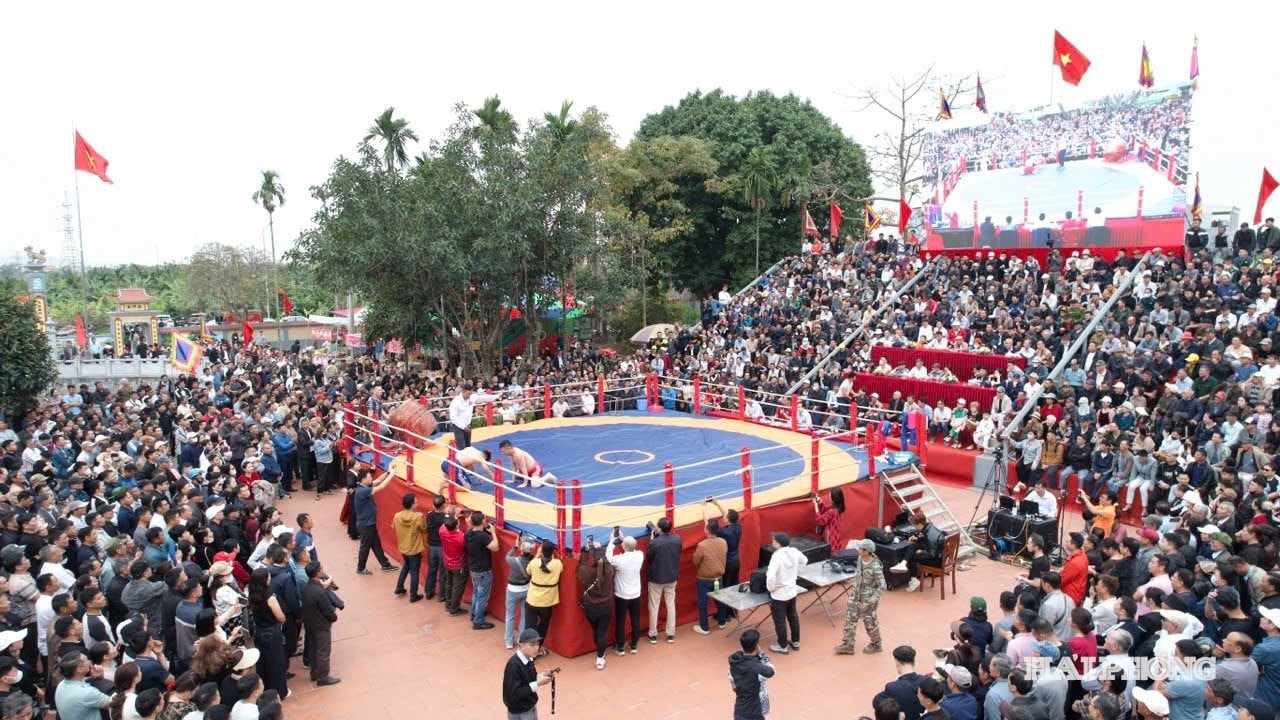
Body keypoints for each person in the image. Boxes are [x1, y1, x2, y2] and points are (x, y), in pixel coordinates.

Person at [836, 539, 885, 654]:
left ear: (866, 551)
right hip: (856, 595)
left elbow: (882, 586)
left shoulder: (876, 567)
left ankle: (876, 644)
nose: (858, 550)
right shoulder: (860, 559)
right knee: (850, 619)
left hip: (868, 600)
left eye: (860, 548)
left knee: (870, 623)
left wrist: (872, 600)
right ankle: (848, 644)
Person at [245, 569, 288, 699]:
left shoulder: (252, 594)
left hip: (259, 631)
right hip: (272, 632)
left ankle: (265, 687)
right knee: (276, 662)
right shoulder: (269, 597)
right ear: (265, 580)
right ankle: (279, 691)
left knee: (262, 662)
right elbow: (280, 617)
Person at [764, 532, 806, 654]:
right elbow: (805, 560)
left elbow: (770, 576)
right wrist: (794, 573)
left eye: (774, 540)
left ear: (778, 543)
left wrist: (771, 588)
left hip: (779, 594)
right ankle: (795, 641)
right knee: (793, 616)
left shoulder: (776, 557)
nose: (772, 541)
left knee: (779, 620)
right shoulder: (794, 551)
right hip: (792, 591)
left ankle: (782, 646)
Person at [299, 561, 339, 687]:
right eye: (321, 569)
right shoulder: (320, 592)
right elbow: (328, 611)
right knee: (323, 651)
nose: (323, 571)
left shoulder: (306, 588)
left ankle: (314, 673)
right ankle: (323, 677)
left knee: (313, 649)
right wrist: (333, 617)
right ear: (318, 573)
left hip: (309, 624)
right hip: (321, 625)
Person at [575, 545, 615, 670]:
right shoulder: (609, 570)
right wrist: (599, 550)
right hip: (605, 607)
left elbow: (580, 565)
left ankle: (600, 651)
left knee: (596, 631)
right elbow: (607, 563)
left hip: (591, 608)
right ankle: (600, 657)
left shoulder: (586, 572)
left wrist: (586, 552)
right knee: (601, 632)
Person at [351, 468, 397, 576]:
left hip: (369, 524)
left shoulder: (365, 487)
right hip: (366, 526)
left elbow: (378, 481)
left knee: (376, 544)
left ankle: (385, 564)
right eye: (369, 477)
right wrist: (392, 475)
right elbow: (381, 486)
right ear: (363, 480)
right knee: (365, 547)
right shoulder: (363, 491)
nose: (371, 478)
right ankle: (360, 568)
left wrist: (388, 472)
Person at [502, 628, 555, 720]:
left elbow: (530, 679)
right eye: (532, 645)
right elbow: (515, 694)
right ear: (522, 645)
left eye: (538, 644)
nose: (536, 648)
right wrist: (538, 683)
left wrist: (541, 676)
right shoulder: (513, 666)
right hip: (520, 711)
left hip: (529, 705)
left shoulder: (529, 659)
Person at [645, 517, 682, 644]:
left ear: (659, 529)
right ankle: (670, 634)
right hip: (671, 577)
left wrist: (651, 540)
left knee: (654, 606)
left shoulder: (655, 542)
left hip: (656, 579)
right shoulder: (677, 539)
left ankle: (653, 634)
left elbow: (648, 558)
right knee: (670, 605)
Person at [607, 531, 643, 656]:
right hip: (635, 594)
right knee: (635, 620)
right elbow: (632, 547)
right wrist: (624, 539)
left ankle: (620, 647)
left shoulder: (620, 560)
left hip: (622, 595)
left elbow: (608, 557)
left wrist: (611, 541)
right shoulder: (640, 555)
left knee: (620, 621)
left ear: (623, 547)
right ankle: (634, 645)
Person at [728, 628, 775, 720]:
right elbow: (771, 671)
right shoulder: (758, 669)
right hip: (754, 713)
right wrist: (762, 655)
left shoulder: (733, 664)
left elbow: (734, 687)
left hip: (739, 710)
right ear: (757, 646)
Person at [891, 512, 944, 593]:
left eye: (915, 525)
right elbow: (927, 539)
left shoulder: (930, 536)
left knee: (913, 556)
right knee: (913, 546)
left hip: (937, 560)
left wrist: (922, 552)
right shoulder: (930, 527)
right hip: (939, 554)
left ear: (919, 524)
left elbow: (932, 554)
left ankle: (913, 580)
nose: (914, 527)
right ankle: (903, 564)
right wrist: (917, 539)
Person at [692, 519, 728, 635]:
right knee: (720, 600)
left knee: (703, 603)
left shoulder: (702, 545)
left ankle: (704, 627)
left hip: (704, 580)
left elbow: (695, 561)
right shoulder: (723, 542)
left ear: (707, 530)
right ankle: (722, 621)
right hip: (718, 578)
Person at [464, 511, 498, 630]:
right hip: (483, 570)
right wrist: (493, 532)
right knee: (482, 596)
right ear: (482, 521)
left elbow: (475, 531)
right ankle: (478, 621)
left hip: (474, 569)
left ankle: (474, 614)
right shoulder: (483, 536)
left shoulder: (468, 533)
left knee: (476, 593)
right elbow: (495, 547)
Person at [524, 541, 562, 647]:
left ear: (541, 551)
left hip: (532, 600)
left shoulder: (534, 563)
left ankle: (529, 650)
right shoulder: (558, 564)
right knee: (544, 625)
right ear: (552, 552)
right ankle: (537, 648)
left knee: (530, 628)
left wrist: (537, 555)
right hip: (547, 602)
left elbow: (528, 571)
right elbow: (554, 562)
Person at [391, 494, 426, 602]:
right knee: (415, 572)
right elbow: (424, 530)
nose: (417, 502)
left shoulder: (397, 516)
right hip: (414, 549)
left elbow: (393, 526)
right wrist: (421, 517)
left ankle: (399, 587)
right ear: (412, 504)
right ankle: (413, 595)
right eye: (416, 501)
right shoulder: (417, 517)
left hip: (403, 547)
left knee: (406, 567)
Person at [448, 382, 498, 451]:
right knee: (461, 446)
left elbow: (483, 398)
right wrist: (462, 427)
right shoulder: (455, 402)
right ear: (463, 392)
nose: (469, 395)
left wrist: (497, 396)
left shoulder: (472, 397)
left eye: (471, 393)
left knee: (468, 445)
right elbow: (453, 417)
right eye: (468, 394)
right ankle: (461, 460)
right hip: (458, 426)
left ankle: (468, 460)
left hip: (467, 424)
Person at [504, 539, 534, 650]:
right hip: (526, 590)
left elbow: (507, 556)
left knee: (509, 616)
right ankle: (521, 639)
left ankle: (509, 641)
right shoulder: (533, 561)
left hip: (512, 590)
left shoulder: (513, 561)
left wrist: (515, 547)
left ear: (521, 548)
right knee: (524, 616)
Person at [812, 488, 846, 553]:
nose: (829, 495)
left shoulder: (832, 511)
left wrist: (815, 506)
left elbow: (820, 520)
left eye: (830, 495)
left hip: (829, 537)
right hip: (835, 535)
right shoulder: (838, 508)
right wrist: (820, 503)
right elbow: (827, 512)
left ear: (833, 497)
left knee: (829, 552)